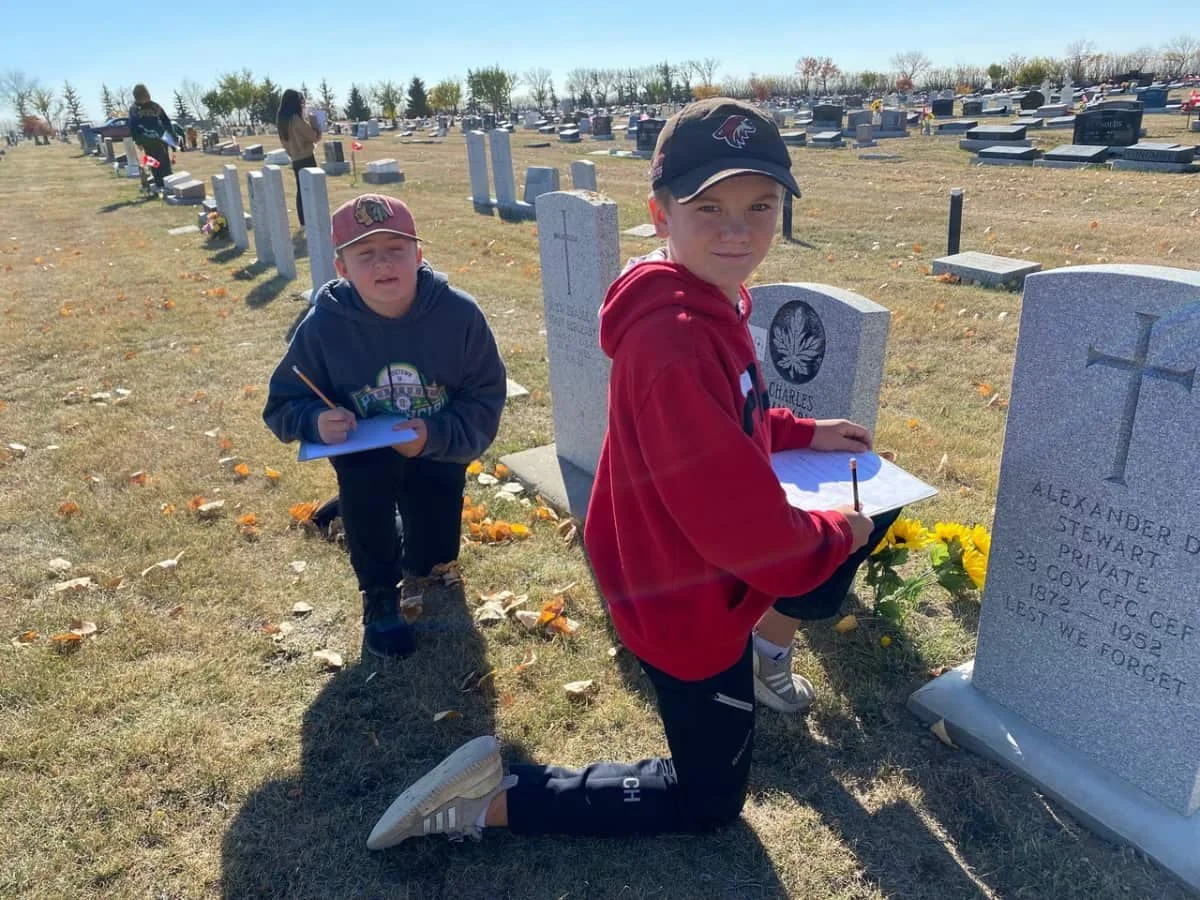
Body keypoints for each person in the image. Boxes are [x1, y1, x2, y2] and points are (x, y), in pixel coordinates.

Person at [364, 98, 900, 850]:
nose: (738, 229)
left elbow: (729, 417)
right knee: (709, 804)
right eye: (708, 207)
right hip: (687, 602)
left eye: (760, 205)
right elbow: (739, 526)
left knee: (864, 520)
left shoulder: (705, 298)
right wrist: (832, 538)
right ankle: (489, 800)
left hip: (693, 574)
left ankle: (764, 650)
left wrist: (802, 431)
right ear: (660, 213)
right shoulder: (675, 338)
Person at [262, 194, 506, 659]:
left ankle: (362, 518)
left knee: (430, 559)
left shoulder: (459, 315)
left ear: (419, 254)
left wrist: (434, 437)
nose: (383, 264)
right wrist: (314, 420)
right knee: (368, 489)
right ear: (342, 268)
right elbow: (282, 404)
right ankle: (377, 597)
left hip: (435, 450)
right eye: (365, 254)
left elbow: (485, 398)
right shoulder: (323, 325)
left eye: (396, 248)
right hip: (365, 455)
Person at [276, 89, 322, 228]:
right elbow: (314, 136)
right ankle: (314, 218)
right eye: (301, 101)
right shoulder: (295, 119)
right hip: (306, 157)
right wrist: (314, 122)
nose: (302, 104)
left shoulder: (282, 121)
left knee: (301, 190)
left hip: (295, 159)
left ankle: (303, 220)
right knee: (312, 189)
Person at [128, 84, 173, 193]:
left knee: (165, 161)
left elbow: (166, 121)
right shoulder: (134, 109)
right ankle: (159, 184)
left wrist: (171, 135)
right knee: (154, 162)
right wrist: (137, 140)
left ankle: (169, 182)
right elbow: (133, 125)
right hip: (146, 139)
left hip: (160, 138)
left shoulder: (155, 106)